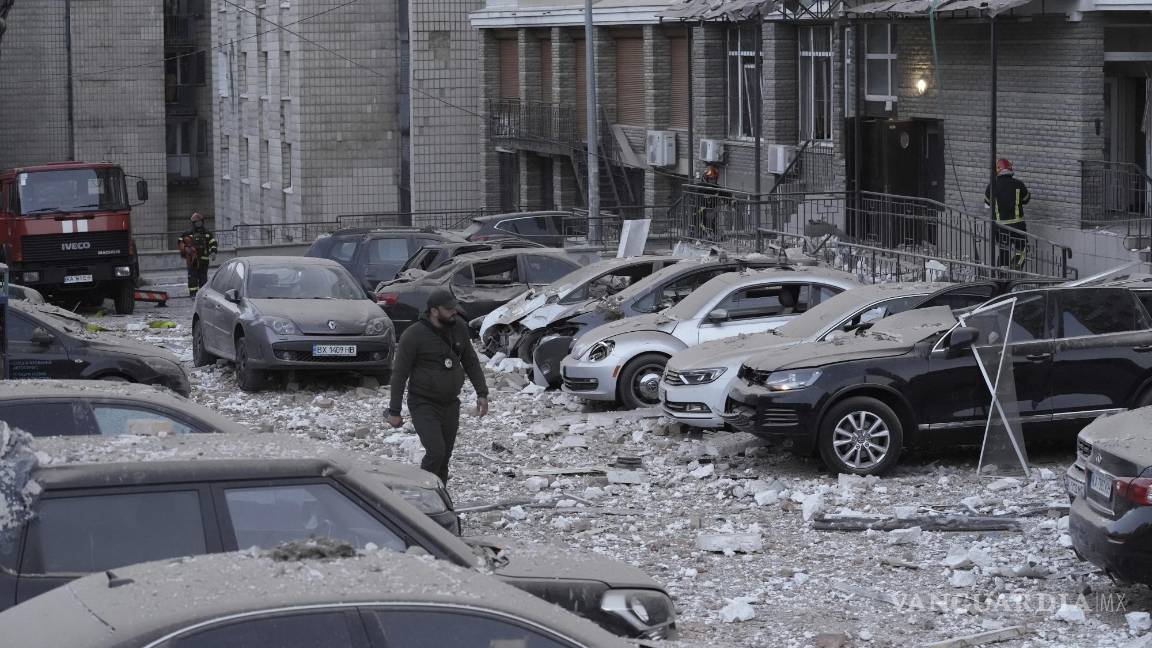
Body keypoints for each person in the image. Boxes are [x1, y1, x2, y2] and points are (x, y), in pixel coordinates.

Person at [388, 289, 489, 483]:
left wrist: (482, 392)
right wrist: (394, 411)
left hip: (451, 404)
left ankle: (440, 502)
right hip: (423, 403)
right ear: (434, 311)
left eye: (455, 308)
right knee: (436, 452)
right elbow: (399, 375)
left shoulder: (459, 327)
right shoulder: (413, 335)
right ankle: (420, 493)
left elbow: (471, 361)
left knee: (445, 457)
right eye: (449, 309)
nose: (454, 312)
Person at [984, 159, 1031, 270]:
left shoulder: (992, 186)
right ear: (1010, 169)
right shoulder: (1019, 184)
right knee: (1022, 249)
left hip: (1000, 227)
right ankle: (1015, 268)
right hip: (1017, 226)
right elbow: (1026, 199)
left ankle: (1002, 275)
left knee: (1004, 251)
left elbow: (987, 204)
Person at [178, 213, 217, 297]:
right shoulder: (187, 233)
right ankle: (193, 293)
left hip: (204, 259)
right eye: (197, 222)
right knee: (193, 277)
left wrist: (213, 251)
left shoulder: (207, 233)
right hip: (193, 259)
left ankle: (203, 294)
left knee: (203, 277)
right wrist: (185, 249)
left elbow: (213, 243)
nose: (198, 224)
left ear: (202, 222)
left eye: (200, 222)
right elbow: (180, 242)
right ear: (193, 223)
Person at [692, 164, 722, 241]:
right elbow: (696, 197)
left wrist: (733, 202)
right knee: (700, 220)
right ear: (706, 179)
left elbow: (726, 194)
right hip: (701, 209)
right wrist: (702, 208)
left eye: (714, 179)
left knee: (711, 222)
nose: (713, 181)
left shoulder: (717, 188)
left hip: (713, 209)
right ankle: (701, 235)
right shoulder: (701, 187)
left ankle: (714, 234)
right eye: (711, 179)